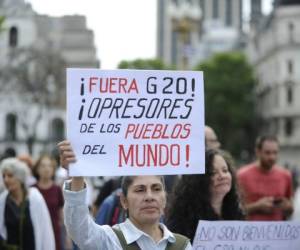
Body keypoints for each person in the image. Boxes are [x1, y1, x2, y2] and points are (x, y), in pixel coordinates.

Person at [58, 140, 192, 250]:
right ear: (124, 201)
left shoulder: (182, 245)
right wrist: (77, 175)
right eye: (140, 190)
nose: (149, 196)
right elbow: (80, 230)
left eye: (156, 189)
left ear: (164, 199)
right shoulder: (110, 240)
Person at [166, 149, 244, 241]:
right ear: (198, 181)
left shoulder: (236, 212)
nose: (222, 176)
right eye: (213, 173)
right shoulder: (184, 221)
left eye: (225, 170)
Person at [0, 157, 55, 250]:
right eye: (4, 176)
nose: (6, 179)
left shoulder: (35, 198)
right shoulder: (3, 200)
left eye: (10, 176)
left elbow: (45, 231)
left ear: (20, 177)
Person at [237, 135, 294, 221]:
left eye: (275, 152)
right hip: (250, 231)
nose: (272, 157)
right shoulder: (242, 175)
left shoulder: (286, 175)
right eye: (267, 153)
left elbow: (290, 210)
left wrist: (287, 207)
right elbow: (234, 211)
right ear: (258, 152)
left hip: (278, 232)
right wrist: (257, 206)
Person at [33, 154, 64, 250]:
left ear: (53, 169)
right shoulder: (32, 190)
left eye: (49, 166)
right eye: (43, 166)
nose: (46, 169)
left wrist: (66, 238)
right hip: (36, 231)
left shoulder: (57, 189)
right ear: (37, 169)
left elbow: (61, 215)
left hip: (54, 232)